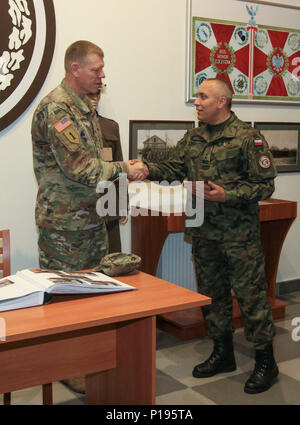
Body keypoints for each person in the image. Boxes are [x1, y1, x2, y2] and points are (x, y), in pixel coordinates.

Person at [133, 78, 278, 394]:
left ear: (222, 101)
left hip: (239, 236)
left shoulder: (248, 138)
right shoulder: (194, 138)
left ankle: (266, 362)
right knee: (213, 295)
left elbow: (265, 184)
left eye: (202, 96)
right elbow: (174, 167)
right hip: (204, 233)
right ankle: (222, 352)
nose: (196, 101)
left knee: (251, 297)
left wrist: (227, 194)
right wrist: (146, 168)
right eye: (197, 96)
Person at [31, 40, 145, 394]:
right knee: (65, 300)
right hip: (65, 226)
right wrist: (124, 168)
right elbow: (80, 167)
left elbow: (95, 160)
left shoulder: (84, 108)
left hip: (90, 220)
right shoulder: (57, 110)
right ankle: (67, 366)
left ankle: (89, 363)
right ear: (74, 68)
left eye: (102, 68)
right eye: (96, 69)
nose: (102, 75)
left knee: (91, 298)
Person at [86, 89, 124, 253]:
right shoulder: (72, 126)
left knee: (113, 260)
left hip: (109, 208)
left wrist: (122, 204)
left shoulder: (110, 127)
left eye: (97, 94)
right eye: (90, 95)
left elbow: (119, 167)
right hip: (83, 209)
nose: (94, 99)